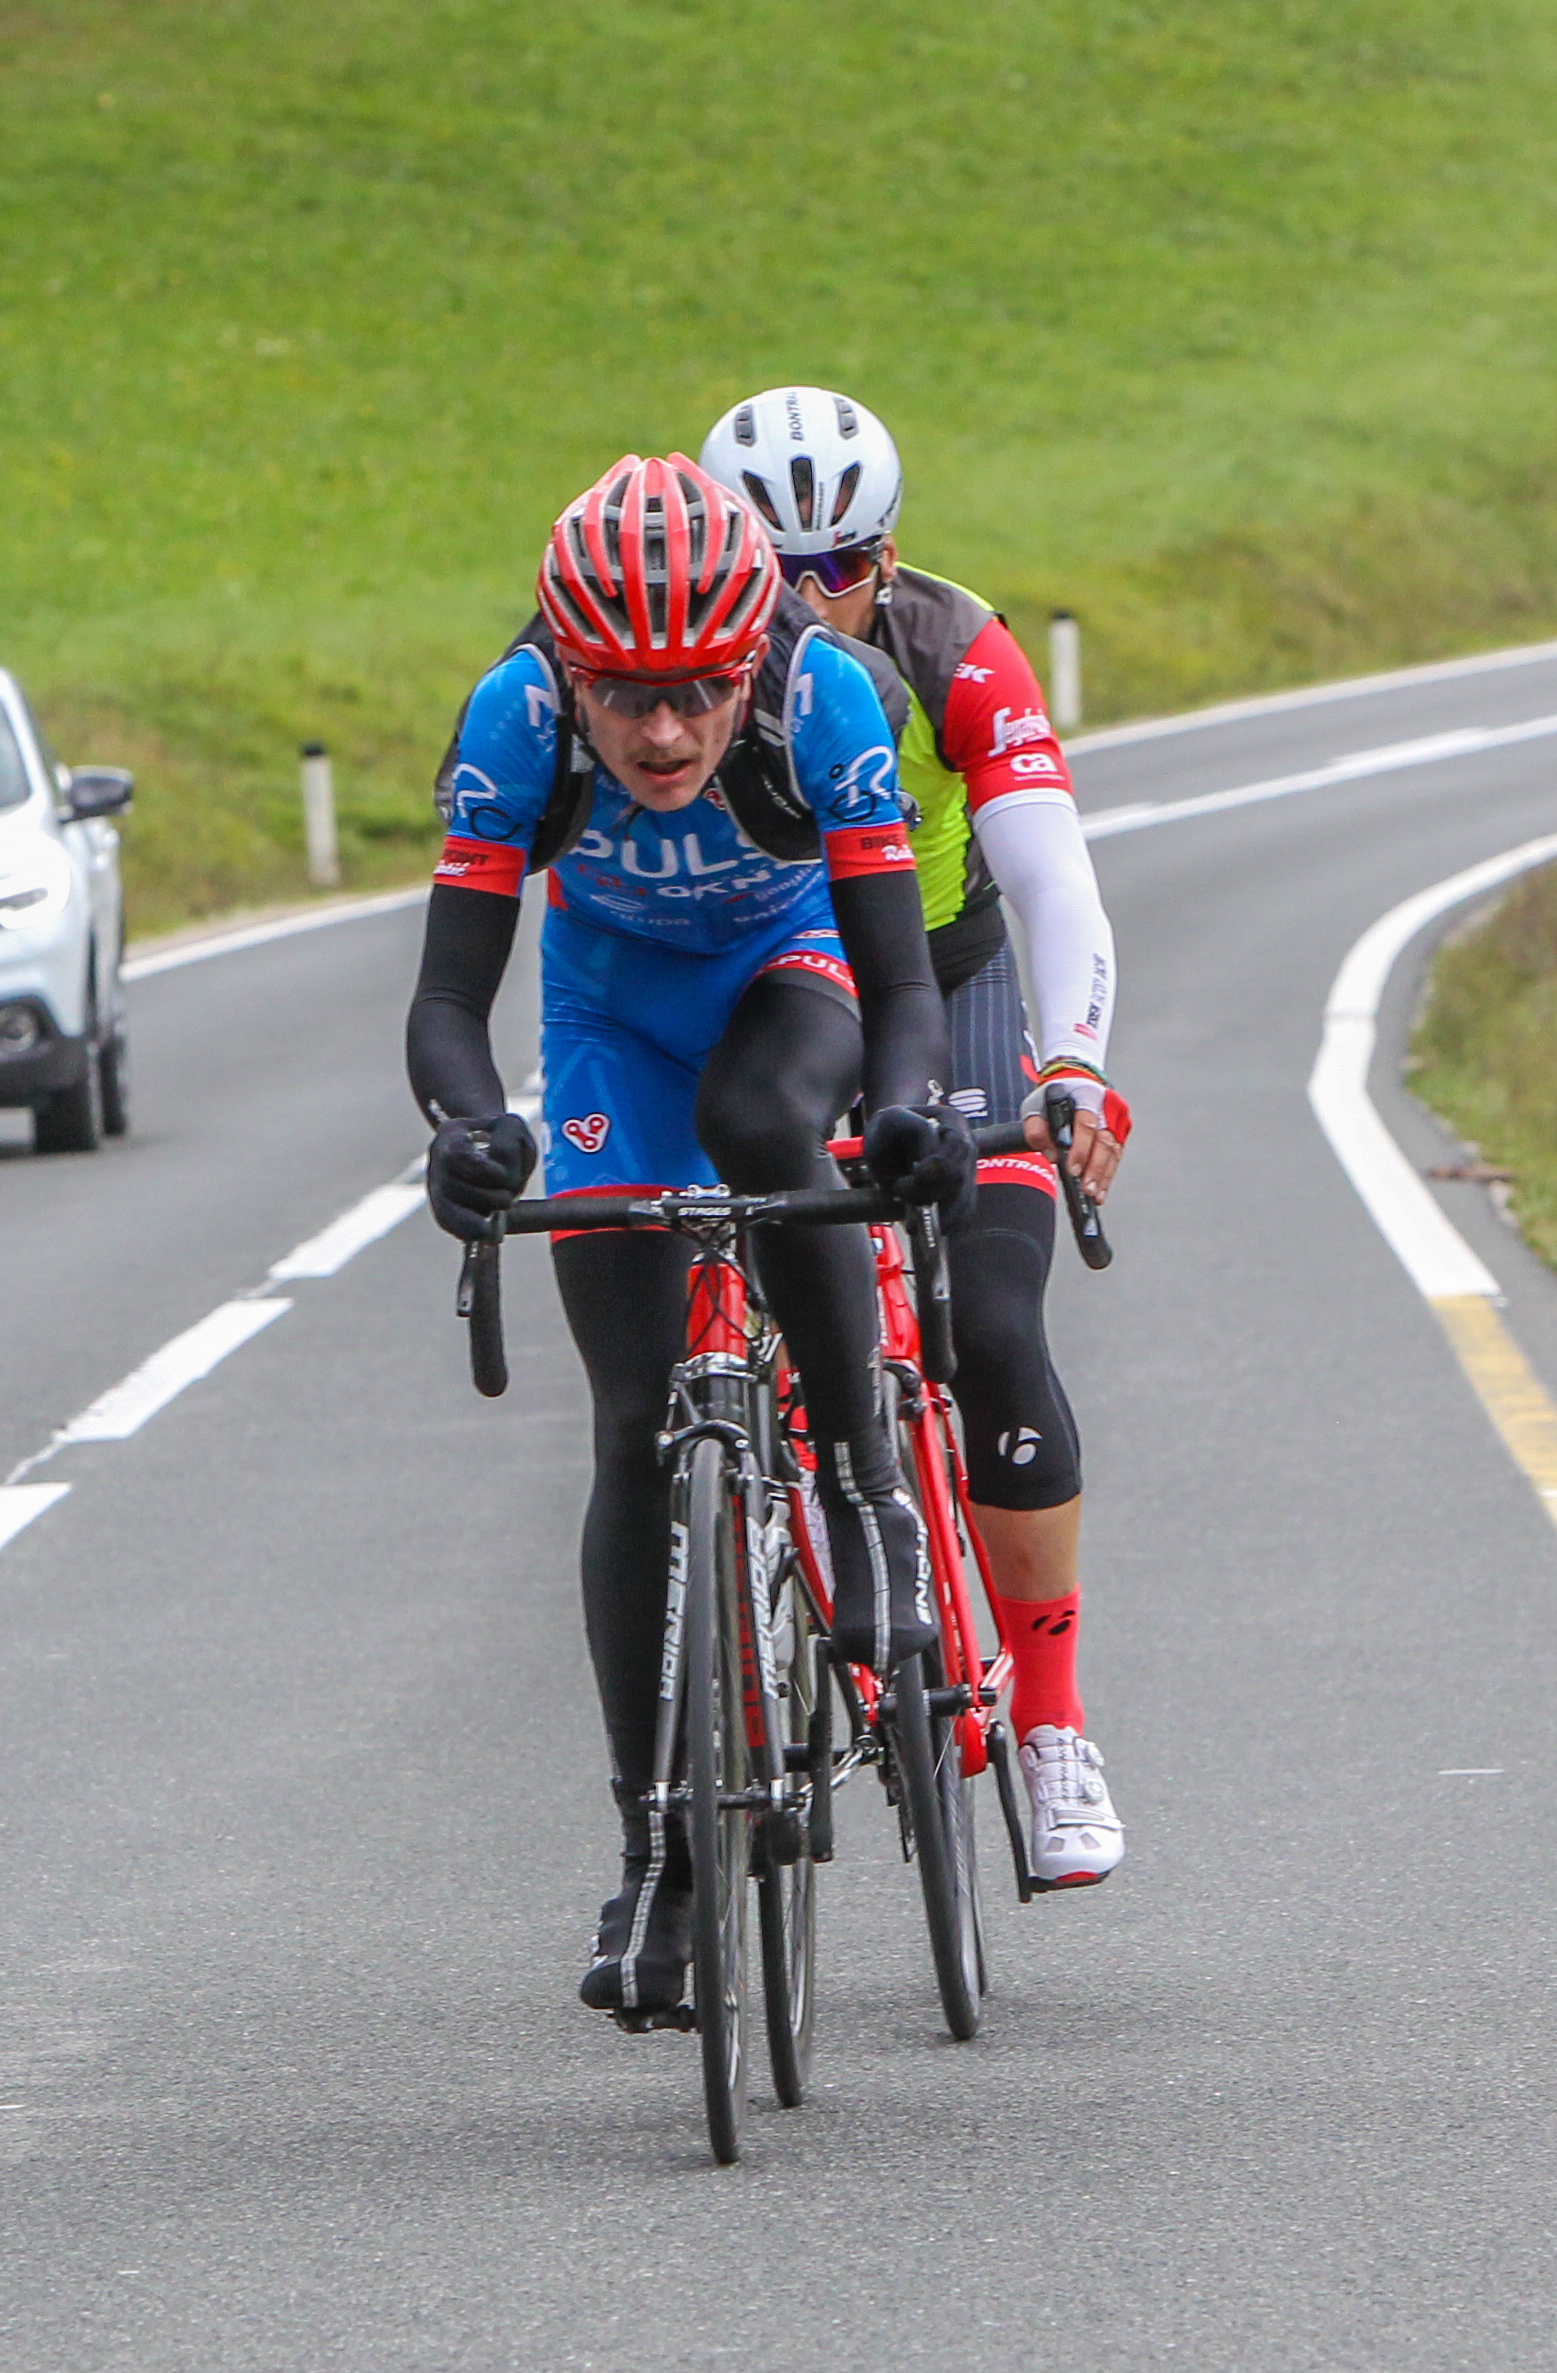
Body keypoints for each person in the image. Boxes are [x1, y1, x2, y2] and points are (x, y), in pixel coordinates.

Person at [408, 453, 974, 2017]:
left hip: (791, 975)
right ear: (568, 674)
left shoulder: (831, 703)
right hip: (609, 1013)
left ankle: (867, 1492)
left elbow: (902, 976)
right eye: (625, 697)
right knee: (632, 1431)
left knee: (763, 1126)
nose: (662, 735)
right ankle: (654, 1855)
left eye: (698, 696)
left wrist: (915, 1103)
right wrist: (466, 1132)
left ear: (752, 667)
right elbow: (454, 999)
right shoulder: (512, 719)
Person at [699, 386, 1131, 1885]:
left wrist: (1072, 1066)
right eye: (779, 575)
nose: (817, 601)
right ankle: (773, 1593)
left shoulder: (957, 647)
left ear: (890, 551)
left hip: (948, 979)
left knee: (997, 1324)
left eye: (846, 566)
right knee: (739, 1316)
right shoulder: (678, 666)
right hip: (769, 998)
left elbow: (1054, 876)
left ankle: (1056, 1725)